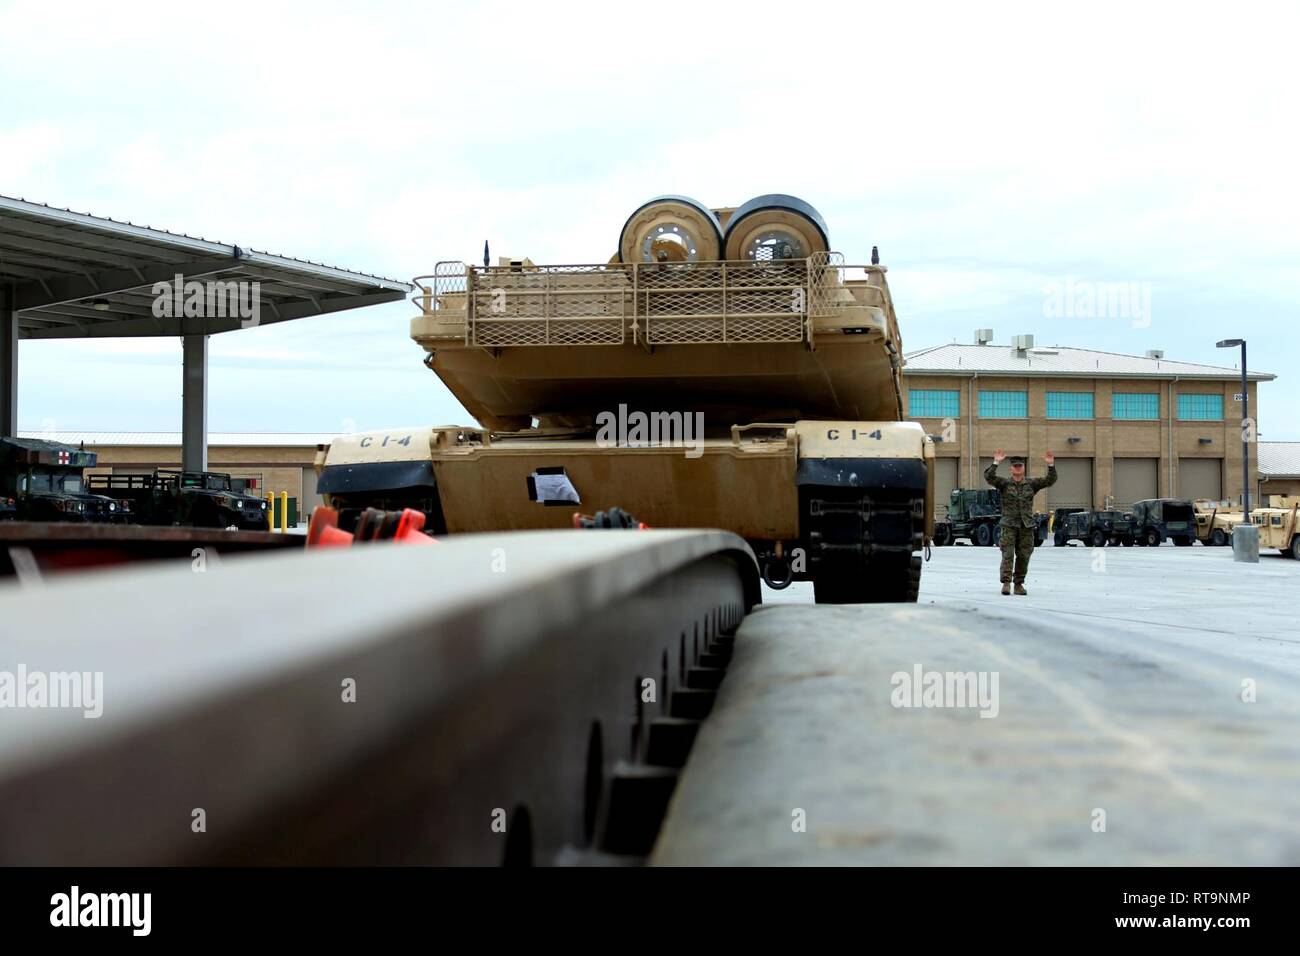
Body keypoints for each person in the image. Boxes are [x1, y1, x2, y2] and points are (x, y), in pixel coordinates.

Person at [985, 450, 1057, 595]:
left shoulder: (1031, 484)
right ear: (1011, 469)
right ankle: (1006, 583)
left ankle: (1018, 584)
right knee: (1008, 554)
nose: (1018, 468)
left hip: (1026, 526)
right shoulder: (1004, 484)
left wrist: (1051, 465)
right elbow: (989, 477)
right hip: (1009, 525)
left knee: (1024, 555)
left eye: (1020, 466)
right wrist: (996, 462)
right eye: (1015, 466)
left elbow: (1050, 480)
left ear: (1023, 468)